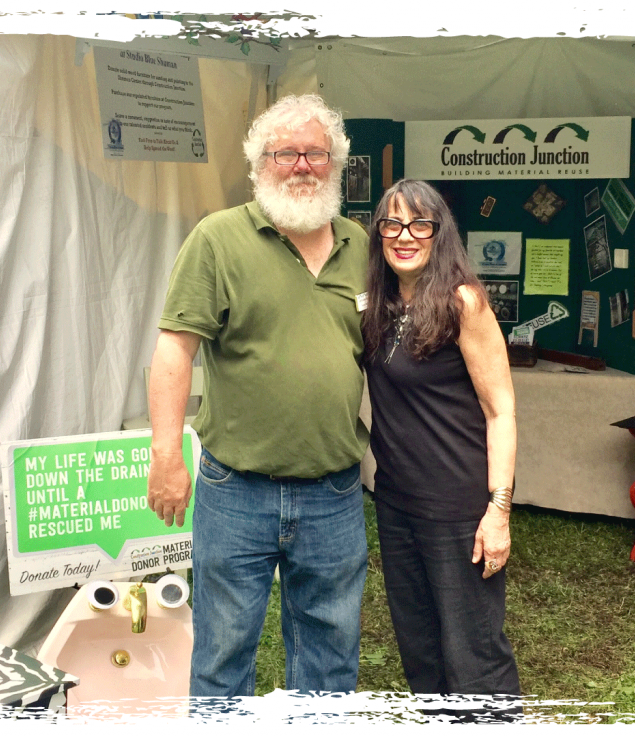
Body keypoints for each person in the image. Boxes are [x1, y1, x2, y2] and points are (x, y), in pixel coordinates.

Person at [146, 94, 370, 706]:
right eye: (285, 153)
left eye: (316, 153)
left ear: (336, 163)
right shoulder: (218, 239)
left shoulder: (363, 247)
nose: (302, 165)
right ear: (258, 164)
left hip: (334, 491)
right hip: (234, 488)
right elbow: (174, 352)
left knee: (331, 654)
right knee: (223, 653)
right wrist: (166, 453)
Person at [361, 179, 521, 717]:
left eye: (419, 224)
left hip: (457, 508)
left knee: (473, 651)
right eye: (392, 223)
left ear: (439, 232)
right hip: (397, 503)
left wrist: (498, 511)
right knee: (421, 648)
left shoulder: (463, 302)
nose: (404, 236)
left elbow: (501, 412)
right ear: (378, 232)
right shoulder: (377, 305)